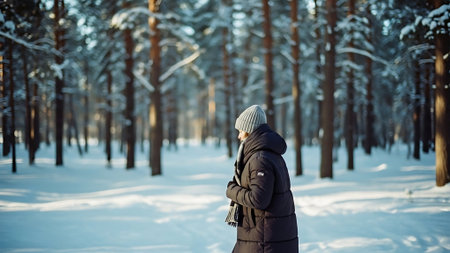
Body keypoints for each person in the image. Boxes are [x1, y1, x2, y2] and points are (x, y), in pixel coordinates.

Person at [225, 105, 298, 253]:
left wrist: (231, 190)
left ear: (249, 130)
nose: (239, 136)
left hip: (264, 239)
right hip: (265, 234)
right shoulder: (268, 154)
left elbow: (259, 199)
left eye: (241, 131)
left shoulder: (260, 159)